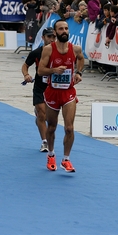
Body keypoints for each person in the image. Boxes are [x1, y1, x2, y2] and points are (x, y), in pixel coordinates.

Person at [38, 20, 85, 173]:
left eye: (66, 28)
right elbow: (40, 71)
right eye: (60, 29)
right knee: (51, 127)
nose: (64, 31)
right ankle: (51, 155)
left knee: (69, 128)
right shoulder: (48, 50)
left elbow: (81, 59)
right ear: (56, 32)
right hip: (52, 92)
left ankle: (66, 159)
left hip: (68, 92)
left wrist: (78, 73)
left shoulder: (75, 49)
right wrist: (54, 70)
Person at [21, 27, 56, 153]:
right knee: (42, 113)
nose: (51, 39)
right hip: (40, 88)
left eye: (53, 37)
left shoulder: (60, 53)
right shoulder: (36, 53)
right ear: (43, 38)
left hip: (55, 88)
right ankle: (45, 142)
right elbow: (25, 65)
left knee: (49, 118)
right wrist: (26, 75)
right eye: (49, 37)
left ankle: (40, 119)